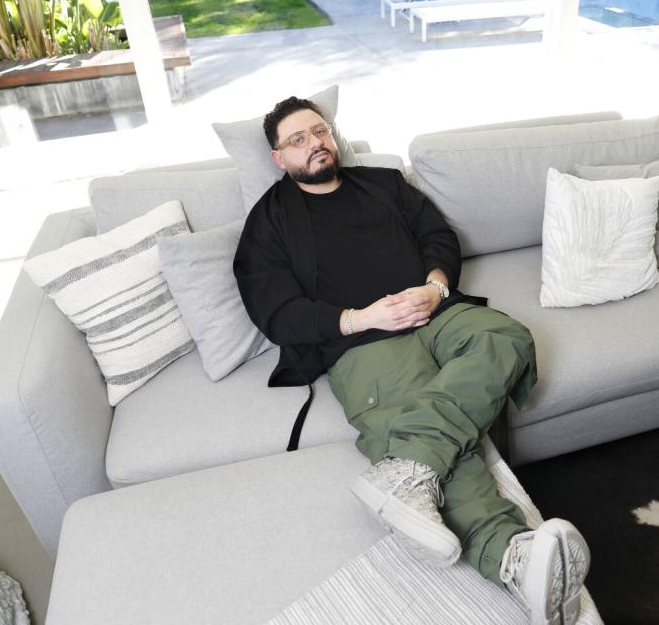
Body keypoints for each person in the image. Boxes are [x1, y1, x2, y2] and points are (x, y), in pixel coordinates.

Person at [234, 96, 589, 625]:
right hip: (363, 343)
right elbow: (276, 312)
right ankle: (513, 556)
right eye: (298, 140)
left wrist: (434, 287)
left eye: (320, 131)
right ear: (278, 158)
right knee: (439, 427)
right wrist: (361, 317)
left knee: (507, 337)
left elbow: (438, 237)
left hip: (436, 316)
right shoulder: (269, 221)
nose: (315, 144)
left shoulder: (383, 184)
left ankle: (410, 469)